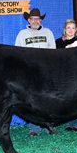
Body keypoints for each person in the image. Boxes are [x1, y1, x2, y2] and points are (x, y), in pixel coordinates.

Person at [15, 8, 57, 137]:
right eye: (33, 18)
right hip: (30, 72)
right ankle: (34, 128)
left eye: (38, 19)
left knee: (49, 98)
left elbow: (53, 51)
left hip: (46, 71)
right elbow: (18, 53)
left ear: (41, 20)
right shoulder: (22, 34)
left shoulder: (48, 32)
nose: (35, 21)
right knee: (32, 100)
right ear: (28, 20)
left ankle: (49, 125)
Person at [55, 19, 77, 131]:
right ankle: (69, 123)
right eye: (68, 27)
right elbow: (58, 56)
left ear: (76, 30)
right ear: (65, 29)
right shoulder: (59, 42)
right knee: (69, 98)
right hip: (65, 73)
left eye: (73, 28)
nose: (70, 30)